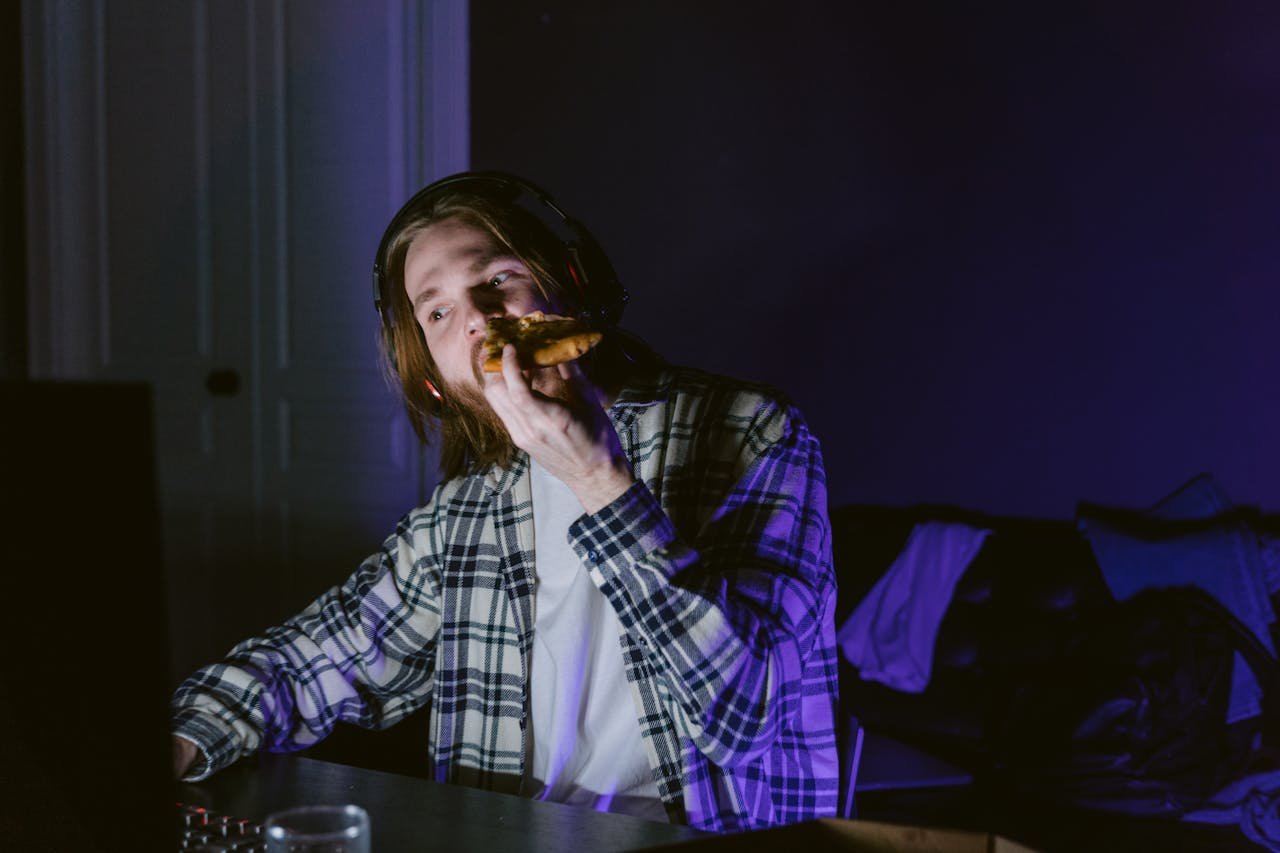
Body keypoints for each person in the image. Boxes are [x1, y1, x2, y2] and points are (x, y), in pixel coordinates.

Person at [170, 172, 839, 832]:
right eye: (438, 311)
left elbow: (748, 714)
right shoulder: (462, 513)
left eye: (496, 281)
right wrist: (181, 737)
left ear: (569, 283)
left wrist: (599, 479)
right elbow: (317, 656)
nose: (480, 322)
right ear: (434, 379)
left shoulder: (754, 429)